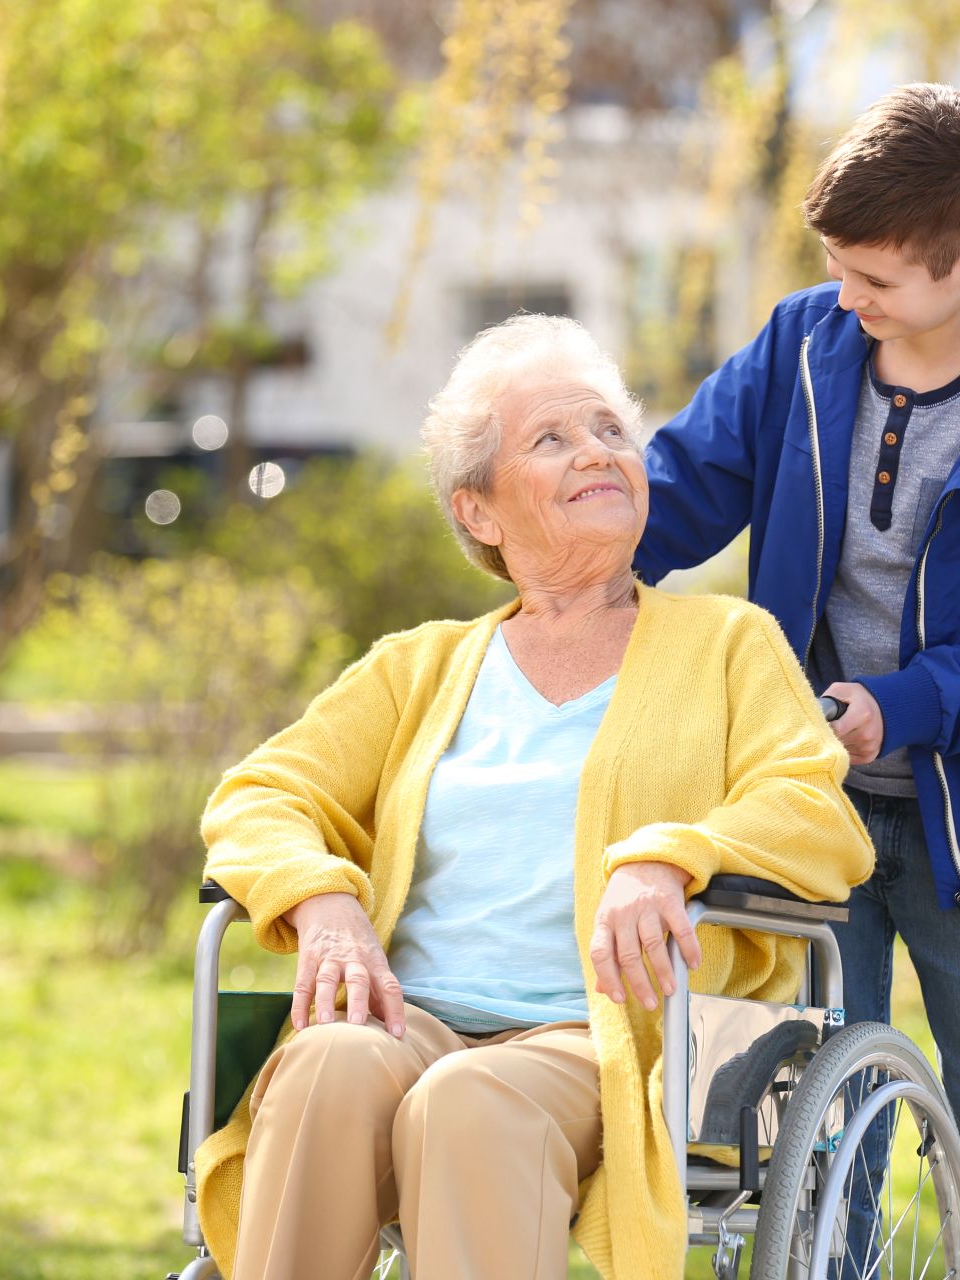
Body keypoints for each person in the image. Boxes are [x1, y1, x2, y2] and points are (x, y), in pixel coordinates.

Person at [191, 315, 874, 1280]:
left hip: (610, 1040)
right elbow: (261, 792)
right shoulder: (420, 668)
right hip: (411, 1017)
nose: (597, 451)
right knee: (322, 1064)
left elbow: (813, 807)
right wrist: (321, 897)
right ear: (479, 511)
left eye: (610, 429)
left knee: (471, 1099)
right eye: (552, 438)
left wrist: (672, 856)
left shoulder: (728, 644)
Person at [635, 83, 960, 1278]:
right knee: (803, 1154)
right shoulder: (802, 346)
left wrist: (902, 704)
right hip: (808, 809)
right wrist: (564, 544)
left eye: (874, 279)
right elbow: (680, 489)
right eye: (835, 268)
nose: (847, 299)